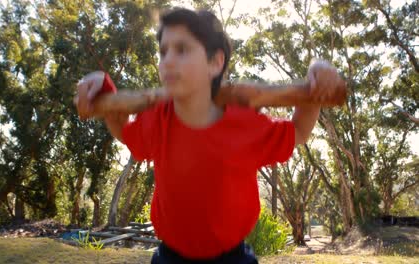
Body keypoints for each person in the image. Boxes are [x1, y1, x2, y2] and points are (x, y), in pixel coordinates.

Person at [75, 8, 345, 264]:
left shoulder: (245, 122)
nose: (167, 59)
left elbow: (297, 132)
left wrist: (316, 86)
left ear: (215, 62)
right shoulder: (159, 116)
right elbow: (124, 131)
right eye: (163, 51)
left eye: (181, 49)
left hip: (232, 257)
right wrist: (104, 90)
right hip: (171, 257)